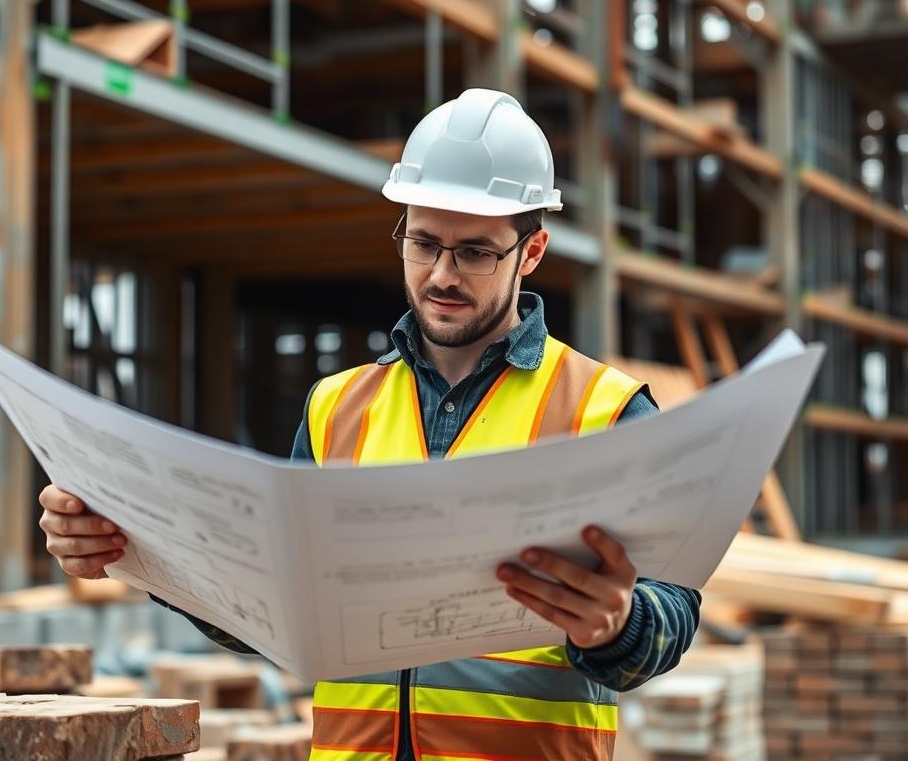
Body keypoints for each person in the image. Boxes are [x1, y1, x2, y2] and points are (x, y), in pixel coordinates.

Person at [39, 88, 700, 760]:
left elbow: (673, 615)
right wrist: (136, 547)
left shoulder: (604, 409)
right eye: (423, 242)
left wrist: (616, 626)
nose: (442, 274)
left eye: (475, 251)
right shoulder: (335, 407)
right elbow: (275, 614)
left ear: (531, 251)